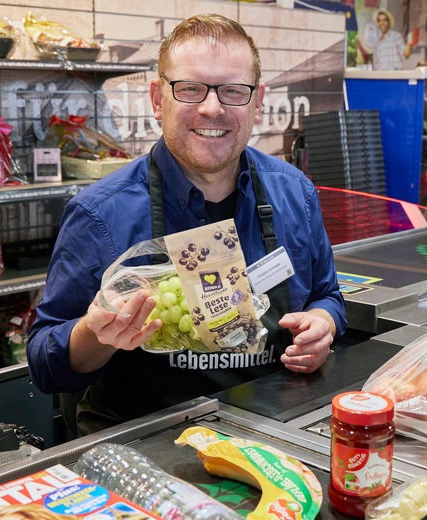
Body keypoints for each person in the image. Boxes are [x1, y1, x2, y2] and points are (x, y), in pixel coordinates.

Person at [27, 13, 347, 436]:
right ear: (159, 99)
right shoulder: (100, 214)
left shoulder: (296, 194)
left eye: (233, 90)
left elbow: (328, 296)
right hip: (146, 439)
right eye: (191, 88)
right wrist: (94, 333)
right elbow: (45, 365)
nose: (212, 108)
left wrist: (322, 326)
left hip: (272, 430)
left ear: (258, 101)